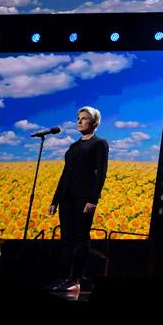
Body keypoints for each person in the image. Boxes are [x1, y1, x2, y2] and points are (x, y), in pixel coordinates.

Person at [48, 106, 109, 293]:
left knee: (81, 238)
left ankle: (77, 280)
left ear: (94, 123)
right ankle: (64, 278)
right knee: (66, 239)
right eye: (78, 118)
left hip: (84, 198)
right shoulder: (73, 146)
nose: (80, 121)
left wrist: (93, 199)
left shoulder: (100, 143)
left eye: (84, 118)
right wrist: (55, 200)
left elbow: (101, 174)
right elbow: (65, 174)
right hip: (67, 197)